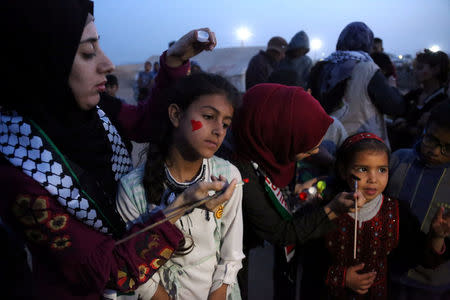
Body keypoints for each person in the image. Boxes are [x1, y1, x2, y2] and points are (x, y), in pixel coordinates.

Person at [0, 1, 225, 298]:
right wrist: (181, 206)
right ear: (45, 62)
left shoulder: (96, 111)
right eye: (87, 53)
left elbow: (146, 123)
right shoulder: (17, 168)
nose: (108, 64)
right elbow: (107, 269)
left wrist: (174, 62)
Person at [231, 83, 368, 299]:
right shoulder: (237, 172)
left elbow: (276, 188)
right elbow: (280, 232)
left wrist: (301, 190)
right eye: (306, 145)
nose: (315, 151)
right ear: (277, 135)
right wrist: (333, 209)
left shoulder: (261, 148)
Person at [116, 73, 244, 300]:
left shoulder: (226, 177)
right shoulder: (133, 188)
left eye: (225, 124)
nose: (219, 130)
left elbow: (231, 253)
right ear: (176, 115)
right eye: (208, 116)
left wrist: (220, 291)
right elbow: (133, 264)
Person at [301, 132, 449, 299]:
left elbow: (418, 256)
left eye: (382, 170)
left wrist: (437, 236)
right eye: (363, 169)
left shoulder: (397, 212)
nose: (373, 179)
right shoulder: (328, 207)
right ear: (343, 170)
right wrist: (341, 276)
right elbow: (307, 256)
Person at [387, 101, 450, 299]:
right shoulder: (398, 160)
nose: (435, 151)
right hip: (384, 273)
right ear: (424, 130)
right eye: (431, 140)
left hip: (430, 284)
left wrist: (438, 237)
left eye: (447, 148)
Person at [308, 22, 405, 147]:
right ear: (368, 44)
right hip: (358, 147)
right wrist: (392, 87)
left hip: (323, 143)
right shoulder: (367, 68)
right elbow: (394, 106)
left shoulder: (321, 66)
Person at [389, 49, 449, 151]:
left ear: (436, 70)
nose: (415, 71)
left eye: (420, 68)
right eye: (415, 67)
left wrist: (406, 127)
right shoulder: (413, 95)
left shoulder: (443, 102)